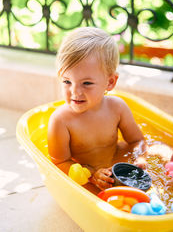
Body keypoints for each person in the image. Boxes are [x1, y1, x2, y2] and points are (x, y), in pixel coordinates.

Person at [48, 27, 145, 190]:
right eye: (67, 81)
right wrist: (91, 176)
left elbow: (137, 141)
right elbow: (59, 162)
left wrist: (139, 158)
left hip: (116, 166)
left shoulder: (117, 108)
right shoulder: (61, 121)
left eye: (86, 83)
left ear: (110, 82)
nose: (75, 91)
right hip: (86, 178)